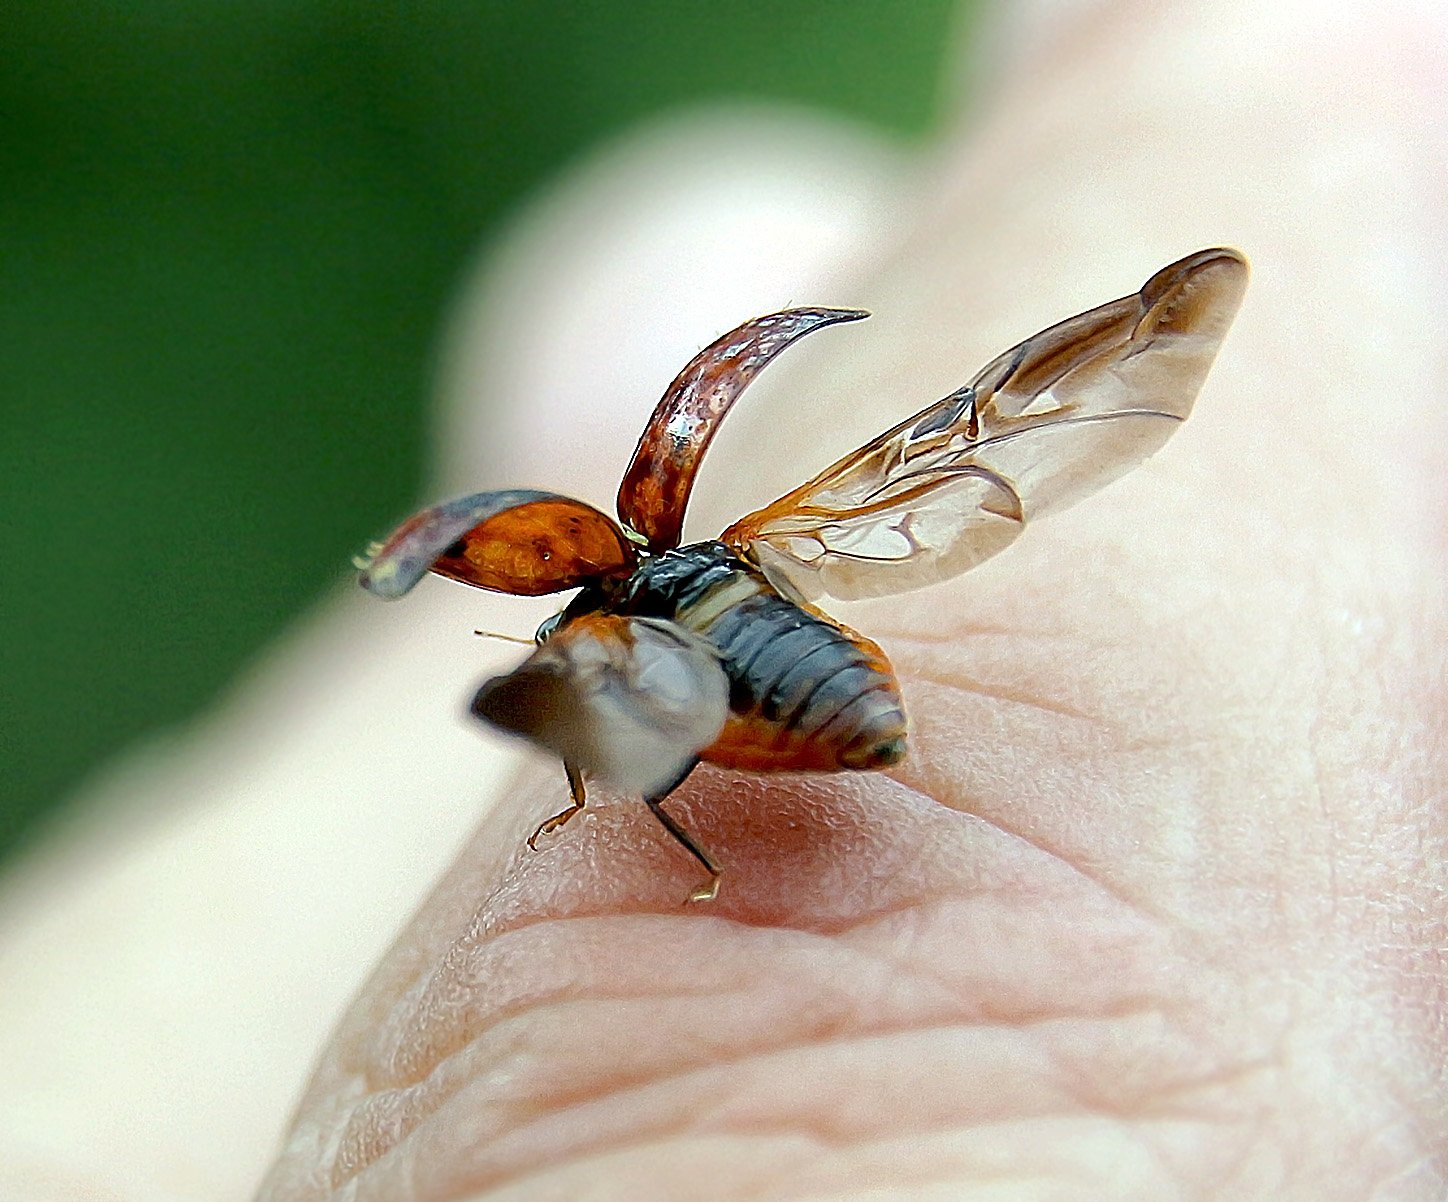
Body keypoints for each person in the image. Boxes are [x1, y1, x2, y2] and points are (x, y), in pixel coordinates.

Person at [2, 2, 1443, 1198]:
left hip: (808, 692)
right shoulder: (746, 550)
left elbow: (615, 734)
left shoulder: (604, 643)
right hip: (819, 654)